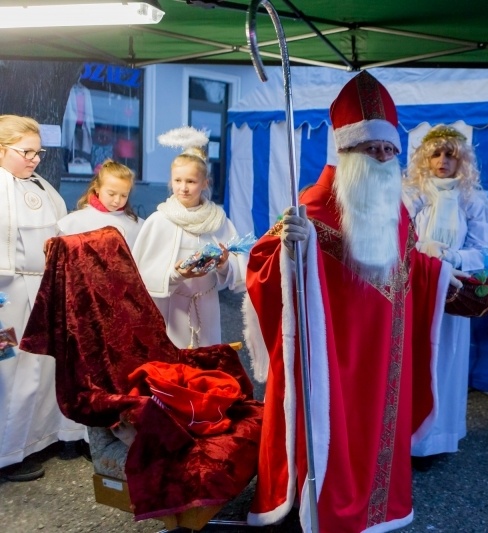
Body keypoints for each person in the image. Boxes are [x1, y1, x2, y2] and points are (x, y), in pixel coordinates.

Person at [244, 71, 455, 533]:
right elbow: (261, 266)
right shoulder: (311, 208)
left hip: (386, 356)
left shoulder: (395, 206)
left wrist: (440, 275)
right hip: (334, 357)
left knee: (376, 430)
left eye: (388, 149)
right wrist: (288, 250)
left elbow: (408, 264)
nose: (382, 157)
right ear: (346, 149)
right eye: (370, 148)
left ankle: (377, 508)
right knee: (332, 431)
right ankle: (319, 502)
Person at [403, 124, 488, 471]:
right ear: (424, 159)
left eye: (450, 155)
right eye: (436, 154)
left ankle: (435, 439)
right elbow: (394, 240)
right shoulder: (411, 196)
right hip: (414, 294)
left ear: (462, 161)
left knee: (445, 365)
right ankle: (406, 435)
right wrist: (420, 251)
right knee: (411, 362)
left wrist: (453, 259)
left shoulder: (472, 200)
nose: (443, 161)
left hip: (452, 292)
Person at [0, 115, 86, 481]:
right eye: (26, 152)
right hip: (10, 293)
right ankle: (7, 453)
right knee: (12, 369)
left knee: (44, 367)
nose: (35, 159)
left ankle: (41, 437)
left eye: (38, 152)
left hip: (43, 288)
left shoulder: (40, 185)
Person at [132, 127, 246, 349]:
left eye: (191, 182)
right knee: (176, 363)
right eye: (178, 180)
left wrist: (223, 265)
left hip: (207, 304)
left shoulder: (219, 220)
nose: (183, 188)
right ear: (171, 181)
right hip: (173, 307)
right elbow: (141, 273)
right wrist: (175, 274)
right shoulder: (159, 220)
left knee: (206, 361)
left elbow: (236, 266)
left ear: (205, 183)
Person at [58, 159, 143, 248]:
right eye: (111, 194)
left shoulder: (137, 225)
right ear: (97, 188)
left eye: (124, 195)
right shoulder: (75, 221)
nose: (117, 200)